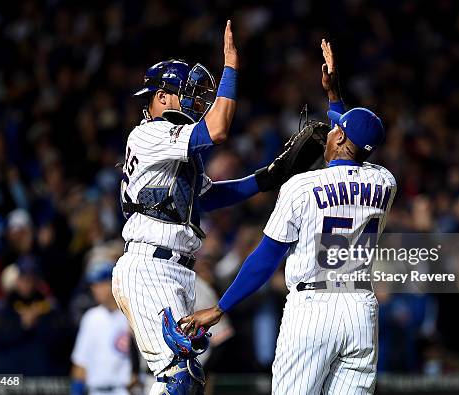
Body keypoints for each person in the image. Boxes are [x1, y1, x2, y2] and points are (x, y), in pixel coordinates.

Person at [181, 39, 397, 394]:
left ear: (340, 134)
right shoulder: (385, 182)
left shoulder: (301, 185)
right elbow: (355, 149)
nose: (327, 130)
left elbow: (266, 259)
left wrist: (221, 307)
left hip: (312, 309)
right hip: (361, 310)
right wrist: (334, 97)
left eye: (334, 128)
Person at [112, 20, 295, 394]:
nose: (197, 100)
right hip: (151, 267)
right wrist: (230, 68)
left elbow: (209, 197)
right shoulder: (151, 132)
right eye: (188, 93)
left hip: (172, 268)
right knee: (179, 379)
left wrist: (266, 178)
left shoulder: (173, 150)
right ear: (161, 97)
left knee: (187, 380)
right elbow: (218, 128)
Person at [71, 262, 137, 395]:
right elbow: (80, 364)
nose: (96, 289)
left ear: (113, 284)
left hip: (124, 390)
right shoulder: (91, 317)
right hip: (96, 390)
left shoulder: (131, 315)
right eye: (94, 285)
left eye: (101, 284)